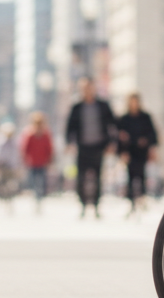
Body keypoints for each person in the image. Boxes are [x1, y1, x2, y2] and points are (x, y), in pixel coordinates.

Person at [64, 76, 118, 220]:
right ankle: (82, 205)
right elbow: (70, 127)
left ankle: (96, 206)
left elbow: (113, 125)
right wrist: (69, 143)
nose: (87, 90)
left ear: (94, 88)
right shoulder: (77, 106)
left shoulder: (103, 105)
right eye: (84, 87)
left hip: (99, 147)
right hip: (82, 147)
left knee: (98, 177)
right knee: (81, 177)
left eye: (89, 87)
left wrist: (112, 143)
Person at [115, 93, 159, 219]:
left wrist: (148, 143)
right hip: (129, 153)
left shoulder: (145, 117)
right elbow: (118, 137)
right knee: (130, 178)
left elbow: (153, 135)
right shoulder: (124, 119)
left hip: (142, 153)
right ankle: (132, 203)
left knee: (141, 176)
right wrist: (122, 152)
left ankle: (142, 200)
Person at [21, 112, 55, 214]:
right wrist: (25, 159)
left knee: (42, 182)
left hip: (43, 162)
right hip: (32, 162)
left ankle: (39, 199)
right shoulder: (29, 134)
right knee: (33, 181)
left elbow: (50, 148)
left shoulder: (46, 134)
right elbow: (25, 148)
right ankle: (36, 198)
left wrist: (50, 159)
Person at [0, 122, 23, 204]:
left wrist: (16, 165)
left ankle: (9, 197)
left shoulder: (14, 141)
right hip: (0, 165)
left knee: (10, 182)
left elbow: (16, 154)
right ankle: (2, 197)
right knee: (1, 182)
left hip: (10, 166)